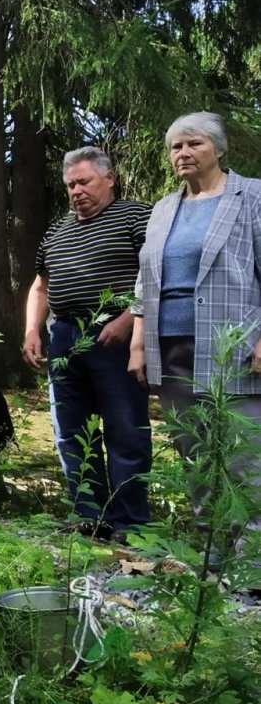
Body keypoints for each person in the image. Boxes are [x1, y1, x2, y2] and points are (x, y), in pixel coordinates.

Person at [129, 112, 261, 532]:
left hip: (234, 349)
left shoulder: (252, 196)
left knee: (244, 459)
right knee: (196, 456)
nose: (183, 153)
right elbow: (145, 279)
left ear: (219, 149)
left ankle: (250, 560)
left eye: (194, 144)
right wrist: (138, 343)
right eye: (176, 147)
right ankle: (211, 554)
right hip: (172, 350)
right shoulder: (164, 209)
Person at [22, 147, 151, 539]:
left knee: (124, 427)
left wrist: (127, 320)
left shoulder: (136, 216)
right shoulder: (56, 231)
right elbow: (41, 286)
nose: (76, 191)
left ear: (109, 178)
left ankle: (129, 523)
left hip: (116, 336)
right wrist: (32, 330)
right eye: (70, 185)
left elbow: (154, 274)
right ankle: (90, 518)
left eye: (84, 182)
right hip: (63, 335)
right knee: (70, 429)